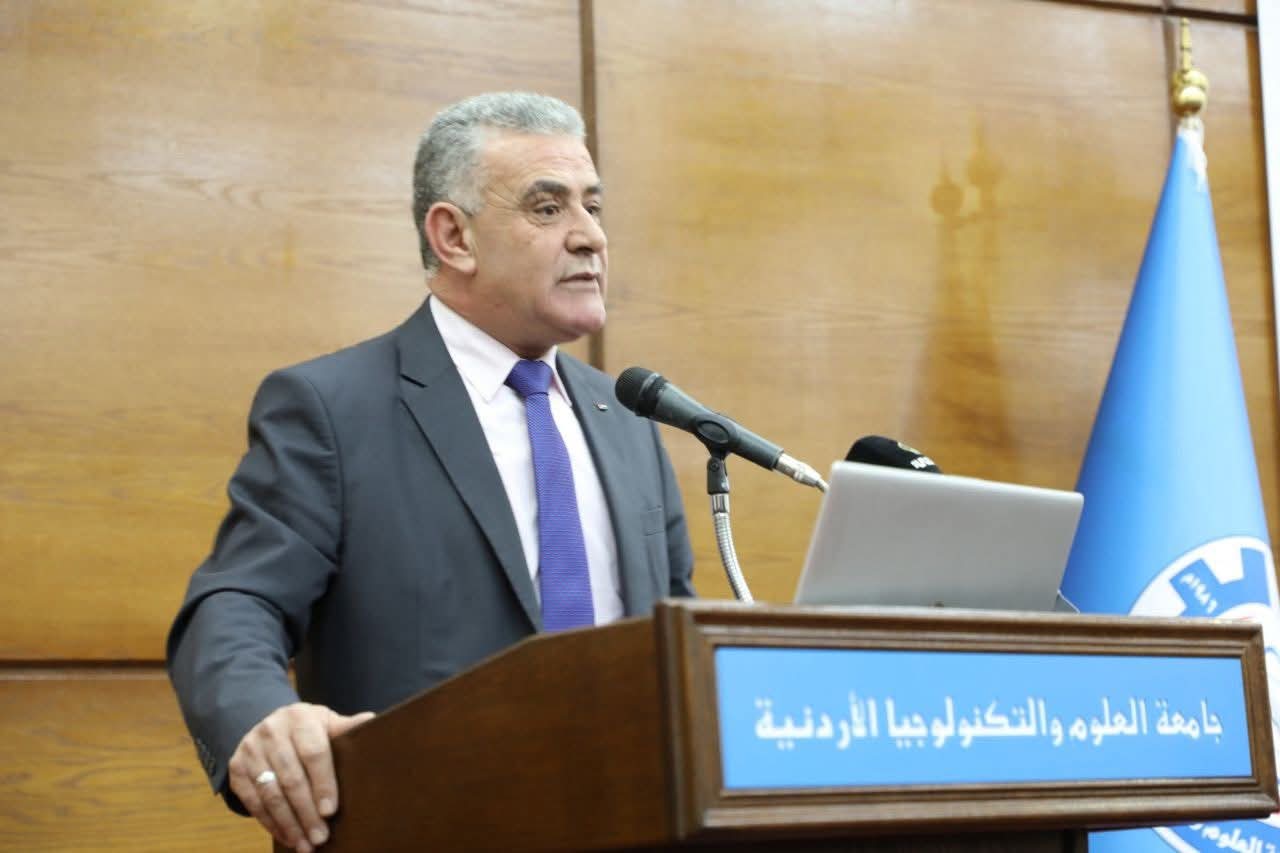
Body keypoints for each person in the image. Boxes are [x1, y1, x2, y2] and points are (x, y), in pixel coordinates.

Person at [166, 92, 695, 853]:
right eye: (548, 208)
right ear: (453, 237)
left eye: (593, 205)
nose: (590, 236)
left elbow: (675, 637)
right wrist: (261, 719)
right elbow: (236, 600)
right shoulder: (331, 408)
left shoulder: (631, 419)